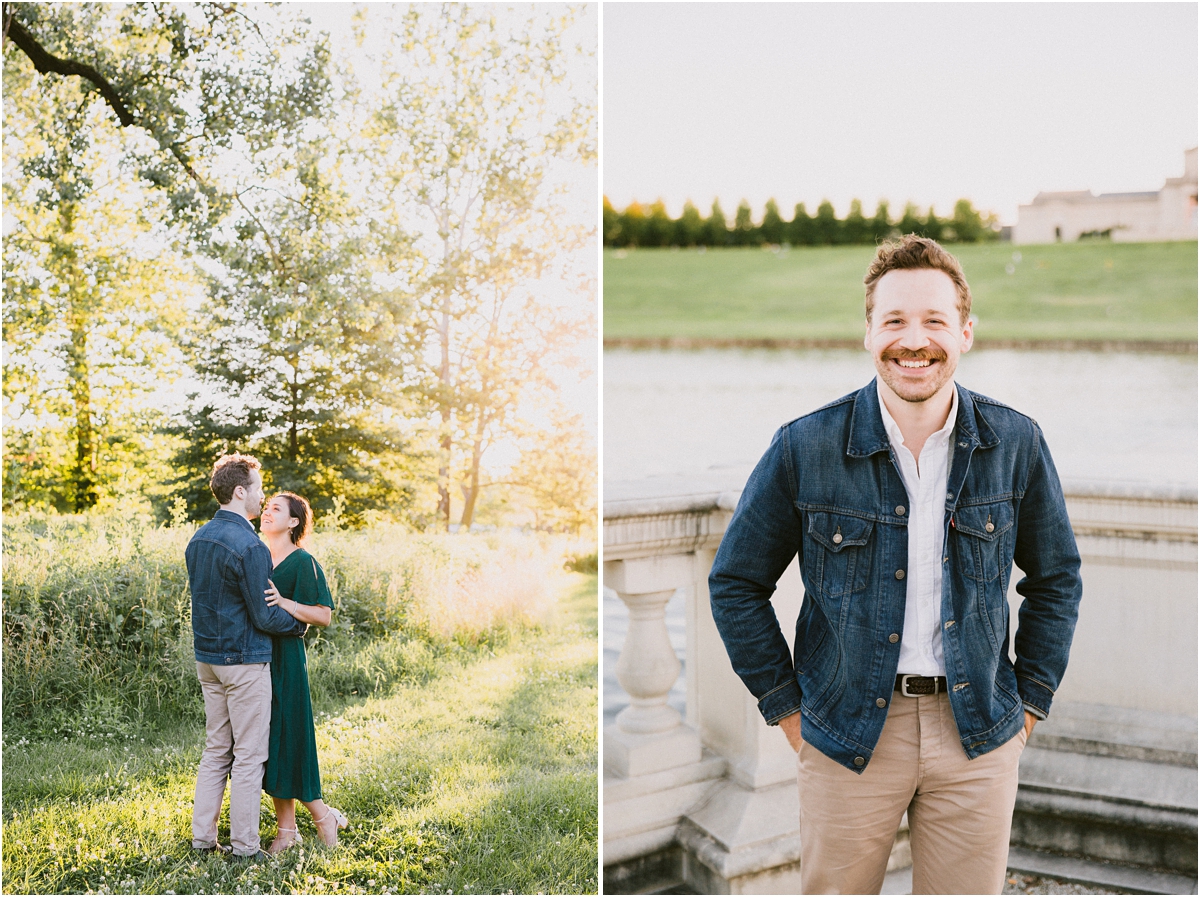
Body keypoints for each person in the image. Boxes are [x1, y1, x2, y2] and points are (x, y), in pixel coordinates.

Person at [708, 234, 1083, 895]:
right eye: (895, 321)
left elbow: (1056, 579)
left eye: (934, 321)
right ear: (868, 333)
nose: (915, 341)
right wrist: (792, 715)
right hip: (845, 731)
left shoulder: (1017, 443)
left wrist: (1026, 711)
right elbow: (736, 582)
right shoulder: (804, 446)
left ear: (965, 332)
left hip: (978, 736)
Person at [185, 453, 309, 860]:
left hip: (207, 660)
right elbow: (263, 614)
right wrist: (297, 625)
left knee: (216, 749)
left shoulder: (198, 539)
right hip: (243, 663)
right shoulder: (250, 546)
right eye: (257, 488)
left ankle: (203, 840)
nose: (260, 496)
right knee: (249, 756)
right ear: (240, 491)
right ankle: (245, 848)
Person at [258, 491, 349, 853]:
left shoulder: (304, 562)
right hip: (256, 659)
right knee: (269, 743)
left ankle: (323, 817)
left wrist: (284, 602)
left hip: (288, 660)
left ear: (293, 522)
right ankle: (287, 831)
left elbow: (323, 614)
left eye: (276, 509)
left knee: (292, 740)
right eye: (266, 507)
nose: (267, 512)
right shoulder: (258, 557)